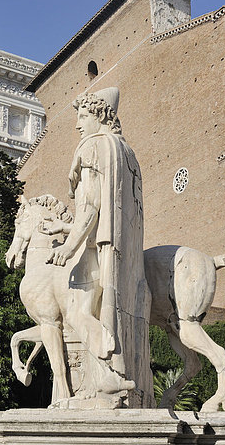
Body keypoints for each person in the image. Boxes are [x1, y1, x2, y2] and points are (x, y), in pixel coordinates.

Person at [44, 87, 152, 401]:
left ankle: (109, 373)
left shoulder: (92, 148)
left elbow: (90, 205)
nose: (78, 124)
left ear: (99, 114)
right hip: (124, 252)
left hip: (95, 247)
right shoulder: (125, 151)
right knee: (112, 310)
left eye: (82, 116)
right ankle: (121, 377)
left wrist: (69, 244)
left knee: (78, 313)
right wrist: (66, 226)